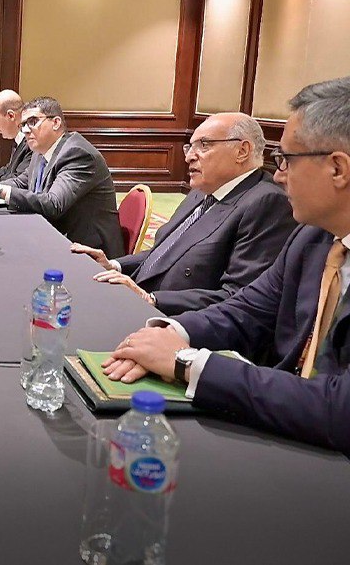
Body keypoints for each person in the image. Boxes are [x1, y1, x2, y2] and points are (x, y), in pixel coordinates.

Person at [105, 76, 350, 456]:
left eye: (286, 160)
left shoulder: (282, 213)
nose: (278, 175)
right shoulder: (313, 238)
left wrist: (186, 362)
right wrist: (171, 333)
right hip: (284, 425)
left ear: (338, 169)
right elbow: (247, 309)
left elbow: (340, 410)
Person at [71, 113, 296, 315]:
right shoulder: (202, 191)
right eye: (189, 147)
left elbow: (237, 296)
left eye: (204, 145)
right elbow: (164, 252)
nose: (189, 157)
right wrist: (114, 266)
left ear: (242, 151)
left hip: (177, 322)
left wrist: (152, 299)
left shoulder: (266, 202)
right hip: (137, 301)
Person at [0, 96, 124, 257]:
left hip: (87, 252)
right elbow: (20, 182)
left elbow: (54, 204)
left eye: (33, 122)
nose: (25, 130)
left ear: (56, 123)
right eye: (23, 125)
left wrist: (2, 191)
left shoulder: (77, 154)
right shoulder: (40, 152)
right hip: (55, 237)